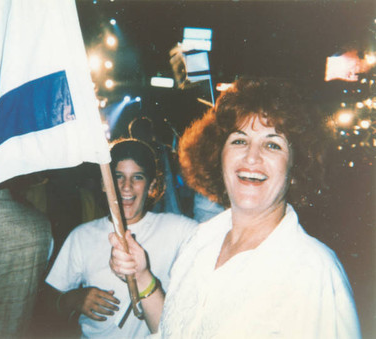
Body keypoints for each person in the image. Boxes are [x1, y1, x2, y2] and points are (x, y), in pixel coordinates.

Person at [110, 78, 361, 338]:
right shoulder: (199, 242)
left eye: (272, 144)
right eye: (239, 141)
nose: (252, 157)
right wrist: (142, 277)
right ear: (217, 156)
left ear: (294, 170)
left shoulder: (313, 270)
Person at [43, 138, 198, 338]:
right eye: (118, 177)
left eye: (137, 177)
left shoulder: (179, 230)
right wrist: (74, 299)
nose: (126, 187)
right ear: (104, 184)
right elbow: (48, 300)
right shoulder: (82, 236)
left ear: (151, 186)